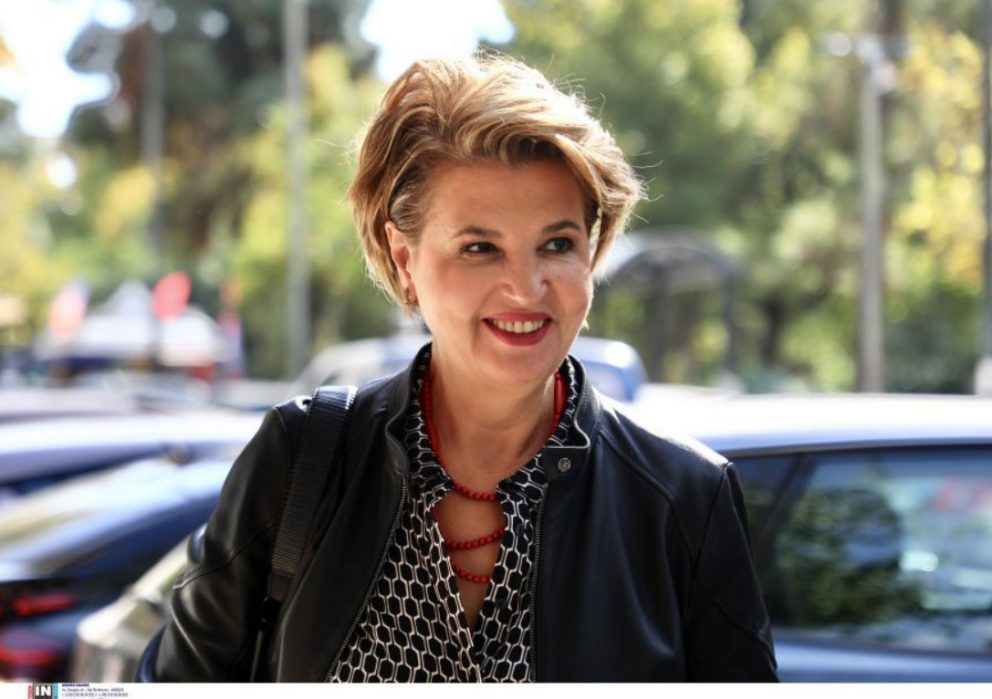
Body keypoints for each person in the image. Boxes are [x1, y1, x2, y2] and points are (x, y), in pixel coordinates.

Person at [150, 53, 777, 682]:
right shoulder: (302, 458)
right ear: (404, 261)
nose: (526, 288)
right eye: (480, 248)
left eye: (557, 244)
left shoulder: (684, 497)